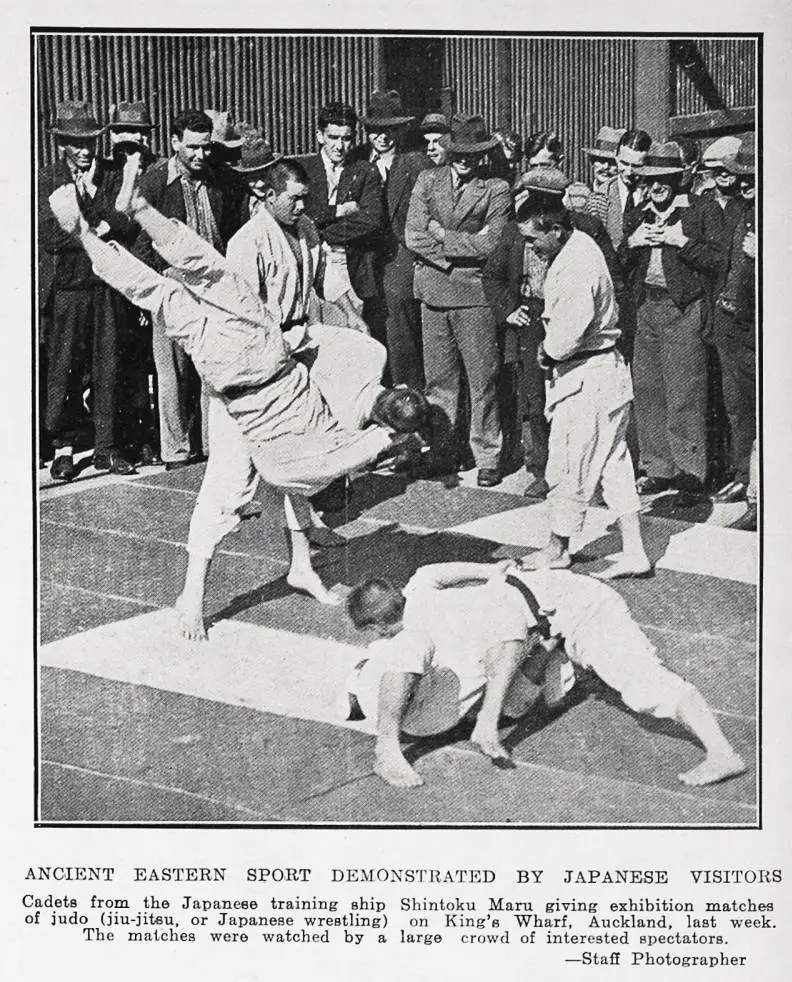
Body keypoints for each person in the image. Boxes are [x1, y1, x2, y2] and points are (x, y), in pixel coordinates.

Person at [47, 160, 426, 627]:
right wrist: (385, 435)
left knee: (166, 289)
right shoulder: (251, 242)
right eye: (295, 196)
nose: (304, 205)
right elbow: (201, 268)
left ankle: (300, 566)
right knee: (224, 488)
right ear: (267, 194)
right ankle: (193, 595)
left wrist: (383, 419)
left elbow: (348, 369)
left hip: (261, 365)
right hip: (253, 363)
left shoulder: (307, 233)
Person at [344, 560, 746, 789]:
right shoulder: (418, 592)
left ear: (376, 627)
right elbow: (434, 571)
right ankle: (559, 658)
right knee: (521, 702)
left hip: (577, 608)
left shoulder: (427, 627)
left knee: (643, 686)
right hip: (541, 614)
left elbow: (508, 645)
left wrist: (485, 723)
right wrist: (489, 568)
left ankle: (723, 753)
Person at [513, 190, 650, 578]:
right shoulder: (582, 244)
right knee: (613, 465)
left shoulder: (573, 265)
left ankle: (557, 549)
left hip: (585, 377)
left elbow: (565, 338)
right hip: (605, 373)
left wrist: (545, 352)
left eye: (532, 239)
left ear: (554, 230)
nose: (530, 247)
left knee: (568, 466)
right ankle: (635, 551)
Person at [483, 168, 623, 498]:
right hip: (534, 317)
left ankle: (590, 477)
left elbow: (612, 278)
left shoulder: (585, 230)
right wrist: (508, 311)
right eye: (535, 196)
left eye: (549, 199)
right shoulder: (517, 230)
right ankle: (544, 469)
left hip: (580, 325)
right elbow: (492, 276)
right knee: (536, 398)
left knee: (580, 405)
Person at [133, 108, 248, 470]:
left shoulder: (220, 181)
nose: (201, 155)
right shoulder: (153, 183)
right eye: (193, 148)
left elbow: (231, 233)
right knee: (173, 373)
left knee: (211, 370)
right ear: (174, 143)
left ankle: (214, 448)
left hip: (212, 288)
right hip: (171, 287)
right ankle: (177, 452)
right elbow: (139, 243)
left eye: (205, 147)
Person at [405, 113, 511, 486]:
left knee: (484, 379)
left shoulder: (497, 188)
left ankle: (487, 455)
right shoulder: (427, 180)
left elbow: (490, 243)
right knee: (439, 382)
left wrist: (441, 235)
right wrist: (454, 245)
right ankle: (442, 450)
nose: (464, 159)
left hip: (474, 296)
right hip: (433, 294)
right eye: (458, 151)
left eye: (474, 152)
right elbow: (413, 235)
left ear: (483, 153)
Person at [620, 141, 724, 505]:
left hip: (684, 310)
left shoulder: (700, 210)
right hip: (647, 307)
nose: (655, 186)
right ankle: (656, 468)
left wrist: (682, 241)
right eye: (649, 179)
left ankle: (689, 472)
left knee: (685, 392)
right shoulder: (636, 213)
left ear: (678, 178)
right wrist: (631, 243)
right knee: (648, 390)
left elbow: (717, 259)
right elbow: (619, 267)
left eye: (663, 178)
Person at [38, 100, 138, 481]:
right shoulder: (46, 178)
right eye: (74, 143)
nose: (83, 151)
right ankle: (64, 448)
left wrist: (83, 226)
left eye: (89, 143)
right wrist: (98, 230)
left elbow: (126, 221)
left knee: (109, 365)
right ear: (61, 143)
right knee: (65, 368)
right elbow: (49, 235)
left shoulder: (112, 175)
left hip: (107, 287)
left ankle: (106, 447)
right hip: (69, 290)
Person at [358, 90, 430, 388]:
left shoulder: (415, 164)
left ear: (400, 130)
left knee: (399, 331)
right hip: (362, 256)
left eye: (389, 130)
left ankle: (405, 396)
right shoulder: (357, 161)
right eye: (376, 130)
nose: (383, 137)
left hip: (398, 256)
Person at [105, 101, 163, 467]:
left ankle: (146, 438)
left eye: (139, 134)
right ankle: (121, 439)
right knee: (119, 363)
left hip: (148, 276)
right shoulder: (107, 173)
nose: (133, 141)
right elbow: (113, 219)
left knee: (148, 364)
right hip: (114, 281)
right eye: (125, 134)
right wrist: (126, 174)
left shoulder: (155, 171)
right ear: (113, 136)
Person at [301, 102, 383, 329]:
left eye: (346, 139)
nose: (339, 146)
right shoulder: (302, 168)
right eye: (333, 137)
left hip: (348, 264)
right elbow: (299, 214)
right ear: (320, 136)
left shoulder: (365, 171)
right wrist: (339, 210)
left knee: (350, 333)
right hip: (309, 262)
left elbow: (371, 221)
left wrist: (321, 231)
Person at [712, 136, 757, 512]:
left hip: (756, 326)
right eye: (739, 174)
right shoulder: (740, 210)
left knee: (758, 407)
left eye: (752, 176)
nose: (743, 182)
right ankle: (742, 476)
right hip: (729, 318)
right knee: (736, 405)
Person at [589, 128, 652, 250]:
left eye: (636, 166)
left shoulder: (654, 193)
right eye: (624, 163)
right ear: (616, 157)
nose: (629, 172)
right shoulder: (600, 198)